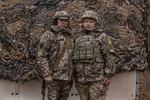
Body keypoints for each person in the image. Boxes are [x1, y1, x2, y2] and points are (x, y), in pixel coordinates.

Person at [73, 10, 119, 100]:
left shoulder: (102, 37)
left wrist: (109, 75)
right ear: (82, 23)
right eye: (86, 21)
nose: (88, 24)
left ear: (95, 23)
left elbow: (110, 56)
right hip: (81, 79)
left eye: (91, 22)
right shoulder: (77, 37)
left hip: (97, 78)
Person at [37, 11, 74, 100]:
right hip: (54, 76)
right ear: (56, 21)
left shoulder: (71, 35)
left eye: (66, 20)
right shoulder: (49, 35)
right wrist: (46, 74)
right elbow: (41, 55)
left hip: (68, 77)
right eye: (62, 20)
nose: (64, 22)